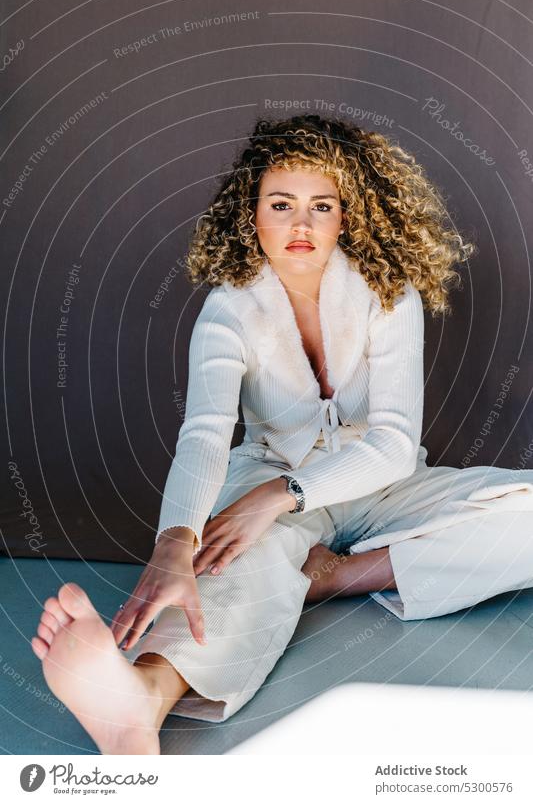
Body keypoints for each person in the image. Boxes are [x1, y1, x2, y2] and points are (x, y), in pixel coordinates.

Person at [31, 114, 533, 755]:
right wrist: (173, 545)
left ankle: (335, 576)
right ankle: (138, 704)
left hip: (377, 482)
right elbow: (206, 435)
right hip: (262, 470)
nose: (301, 225)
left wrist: (278, 497)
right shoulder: (229, 309)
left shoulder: (389, 294)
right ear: (253, 214)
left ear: (346, 217)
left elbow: (394, 445)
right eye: (281, 204)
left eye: (321, 206)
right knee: (236, 568)